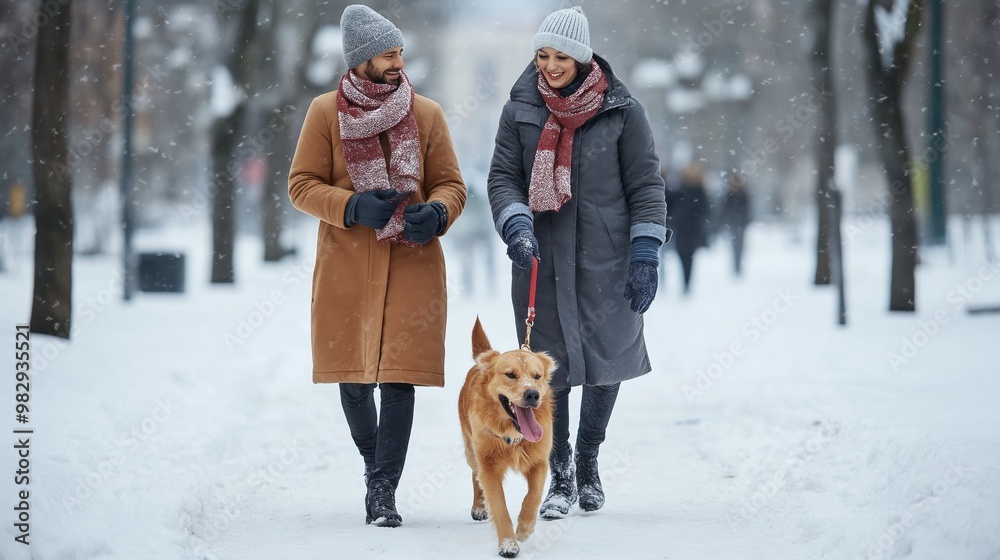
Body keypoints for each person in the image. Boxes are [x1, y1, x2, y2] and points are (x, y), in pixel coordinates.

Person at [287, 4, 466, 528]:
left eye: (400, 53)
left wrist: (436, 213)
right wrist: (350, 206)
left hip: (412, 265)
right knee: (354, 380)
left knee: (398, 379)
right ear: (362, 59)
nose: (397, 62)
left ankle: (383, 489)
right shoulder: (325, 113)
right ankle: (375, 470)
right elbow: (300, 185)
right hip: (347, 266)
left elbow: (452, 187)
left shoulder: (427, 114)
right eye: (388, 54)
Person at [487, 6, 667, 519]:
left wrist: (645, 250)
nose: (549, 66)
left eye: (560, 56)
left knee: (607, 357)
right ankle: (560, 469)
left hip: (606, 260)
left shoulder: (622, 111)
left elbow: (645, 185)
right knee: (547, 370)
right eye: (541, 55)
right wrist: (516, 222)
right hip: (539, 257)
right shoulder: (520, 108)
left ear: (582, 57)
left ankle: (588, 459)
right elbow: (502, 176)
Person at [667, 163, 710, 294]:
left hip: (683, 230)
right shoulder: (700, 192)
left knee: (684, 256)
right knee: (689, 258)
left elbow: (671, 208)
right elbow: (705, 211)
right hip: (692, 231)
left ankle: (685, 283)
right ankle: (686, 283)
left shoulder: (681, 190)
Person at [719, 172, 751, 275]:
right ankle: (736, 266)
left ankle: (737, 266)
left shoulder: (740, 194)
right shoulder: (731, 194)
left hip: (738, 223)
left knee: (738, 245)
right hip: (734, 223)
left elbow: (746, 209)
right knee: (736, 245)